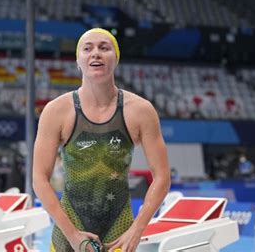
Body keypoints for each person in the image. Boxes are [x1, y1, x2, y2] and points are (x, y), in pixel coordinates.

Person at [33, 28, 171, 252]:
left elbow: (162, 176)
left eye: (104, 48)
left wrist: (137, 229)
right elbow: (39, 179)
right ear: (78, 61)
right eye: (87, 48)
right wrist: (73, 235)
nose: (95, 53)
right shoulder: (56, 111)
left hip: (119, 230)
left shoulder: (140, 111)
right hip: (68, 231)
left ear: (115, 58)